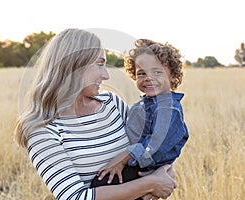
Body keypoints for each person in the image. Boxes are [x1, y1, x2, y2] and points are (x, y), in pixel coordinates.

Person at [14, 29, 177, 200]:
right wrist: (150, 184)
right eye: (100, 64)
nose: (106, 75)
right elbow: (76, 197)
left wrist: (165, 172)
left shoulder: (111, 103)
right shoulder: (42, 131)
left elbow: (153, 146)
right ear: (74, 65)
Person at [91, 39, 189, 199]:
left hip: (142, 169)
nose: (148, 78)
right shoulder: (145, 105)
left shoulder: (168, 109)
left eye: (157, 72)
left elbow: (157, 145)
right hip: (140, 166)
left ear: (173, 76)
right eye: (142, 73)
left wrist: (123, 159)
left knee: (100, 185)